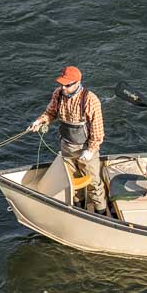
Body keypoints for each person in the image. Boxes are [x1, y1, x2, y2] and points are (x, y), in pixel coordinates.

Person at [27, 66, 107, 214]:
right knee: (73, 182)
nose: (63, 87)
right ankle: (79, 210)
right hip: (66, 146)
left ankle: (101, 213)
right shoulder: (58, 94)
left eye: (67, 85)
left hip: (85, 149)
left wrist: (90, 151)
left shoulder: (91, 100)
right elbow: (50, 113)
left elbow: (98, 131)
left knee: (94, 184)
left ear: (77, 83)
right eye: (62, 83)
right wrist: (39, 122)